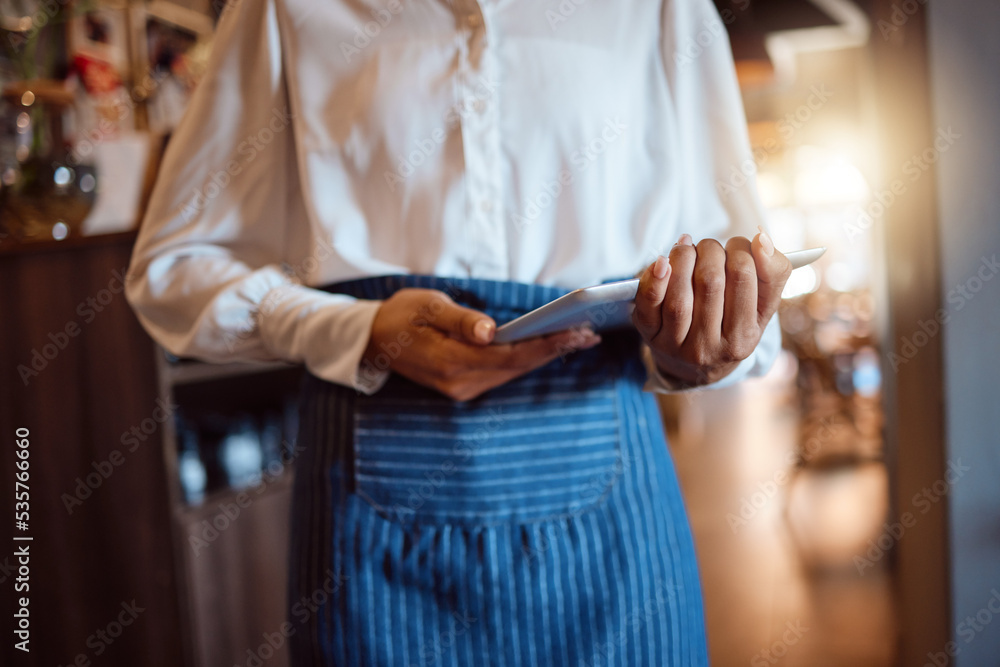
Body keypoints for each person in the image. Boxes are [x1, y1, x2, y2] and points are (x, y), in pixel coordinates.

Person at [126, 0, 792, 664]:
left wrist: (699, 344)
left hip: (613, 527)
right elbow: (173, 270)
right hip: (369, 527)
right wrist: (352, 330)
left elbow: (734, 282)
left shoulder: (662, 10)